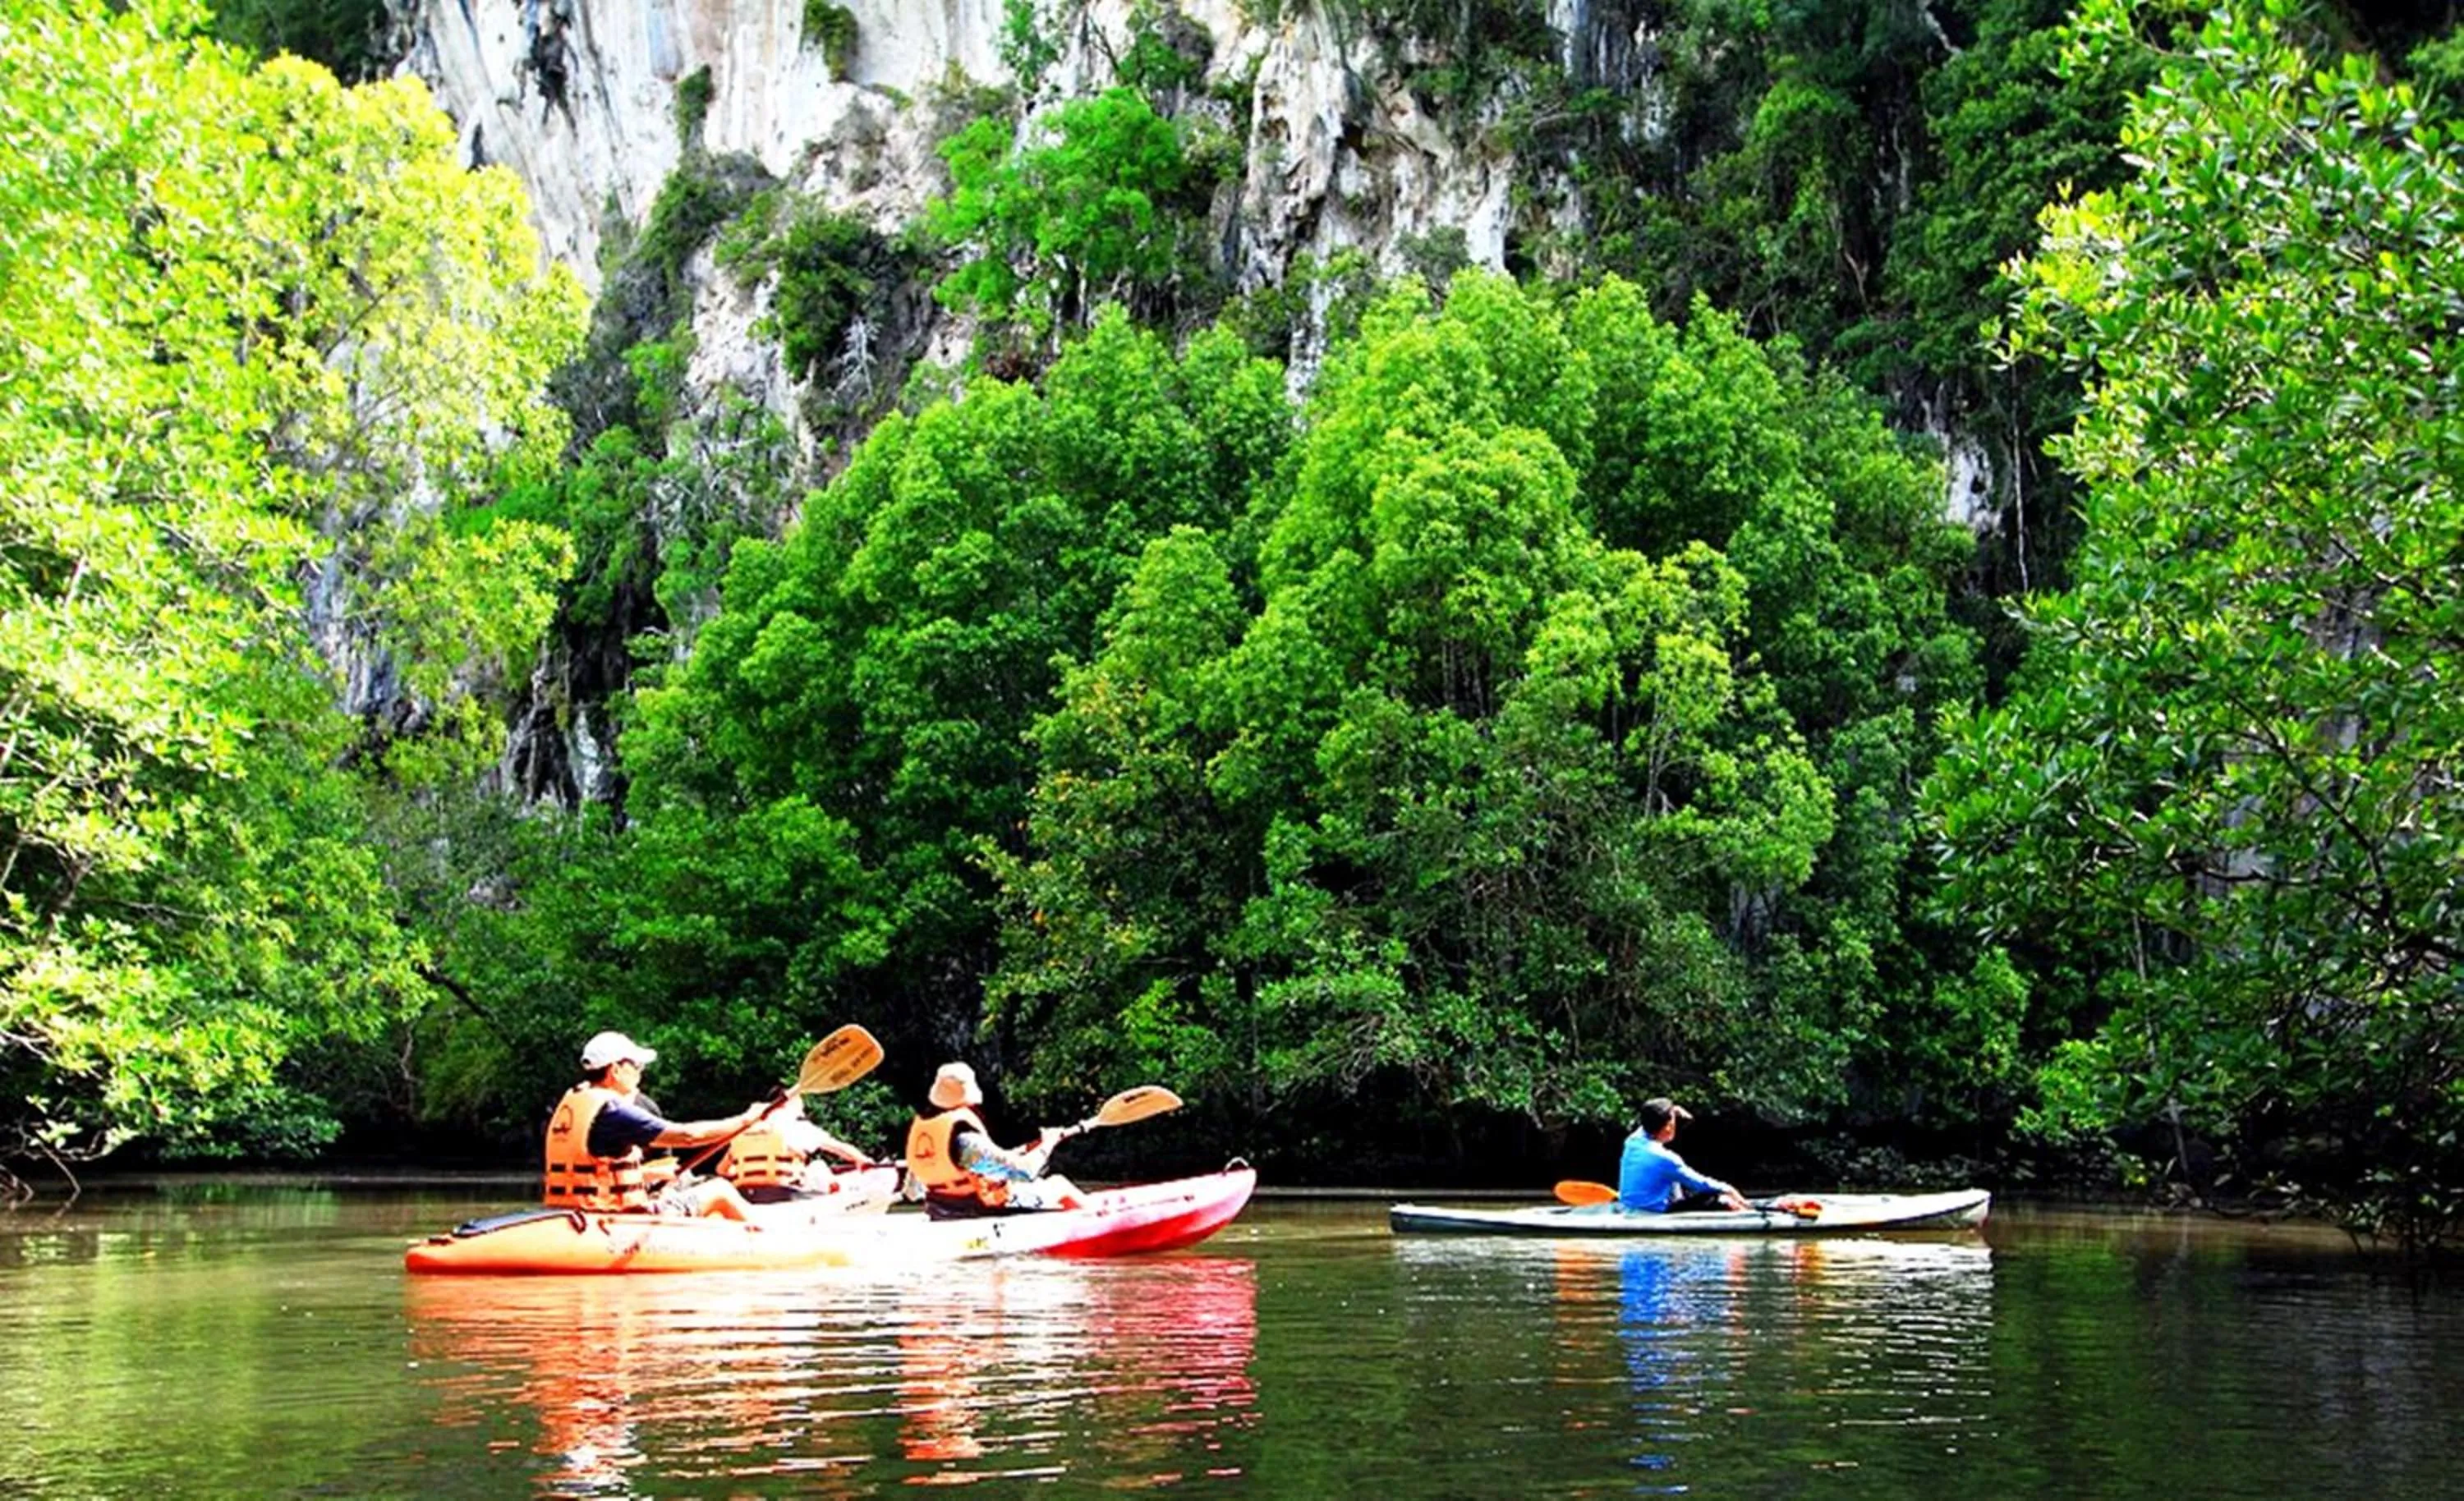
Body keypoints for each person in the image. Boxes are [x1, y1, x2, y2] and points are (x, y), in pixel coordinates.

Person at [543, 1031, 770, 1221]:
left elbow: (598, 1172)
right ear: (615, 1070)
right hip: (614, 1220)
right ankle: (768, 1239)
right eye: (636, 1065)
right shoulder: (614, 1112)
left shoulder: (572, 1102)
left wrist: (647, 1175)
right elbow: (689, 1136)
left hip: (571, 1214)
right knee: (720, 1189)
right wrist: (746, 1120)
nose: (640, 1073)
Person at [903, 1062, 1080, 1219]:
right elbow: (1025, 1173)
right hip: (978, 1210)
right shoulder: (965, 1140)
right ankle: (1096, 1225)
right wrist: (1049, 1142)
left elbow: (912, 1193)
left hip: (939, 1210)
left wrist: (1026, 1149)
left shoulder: (924, 1130)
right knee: (1058, 1184)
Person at [719, 1094, 877, 1204]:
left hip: (746, 1197)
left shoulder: (745, 1130)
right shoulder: (797, 1127)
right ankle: (836, 1192)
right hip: (784, 1194)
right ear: (788, 1104)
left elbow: (722, 1170)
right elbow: (839, 1148)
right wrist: (862, 1160)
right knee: (819, 1166)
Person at [1617, 1096, 1749, 1213]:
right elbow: (1700, 1184)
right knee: (1721, 1199)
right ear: (1668, 1126)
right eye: (1674, 1121)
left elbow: (1650, 1120)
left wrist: (1672, 1111)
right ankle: (1742, 1212)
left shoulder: (1632, 1141)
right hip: (1654, 1210)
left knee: (1682, 1188)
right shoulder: (1665, 1158)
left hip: (1630, 1205)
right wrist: (1728, 1189)